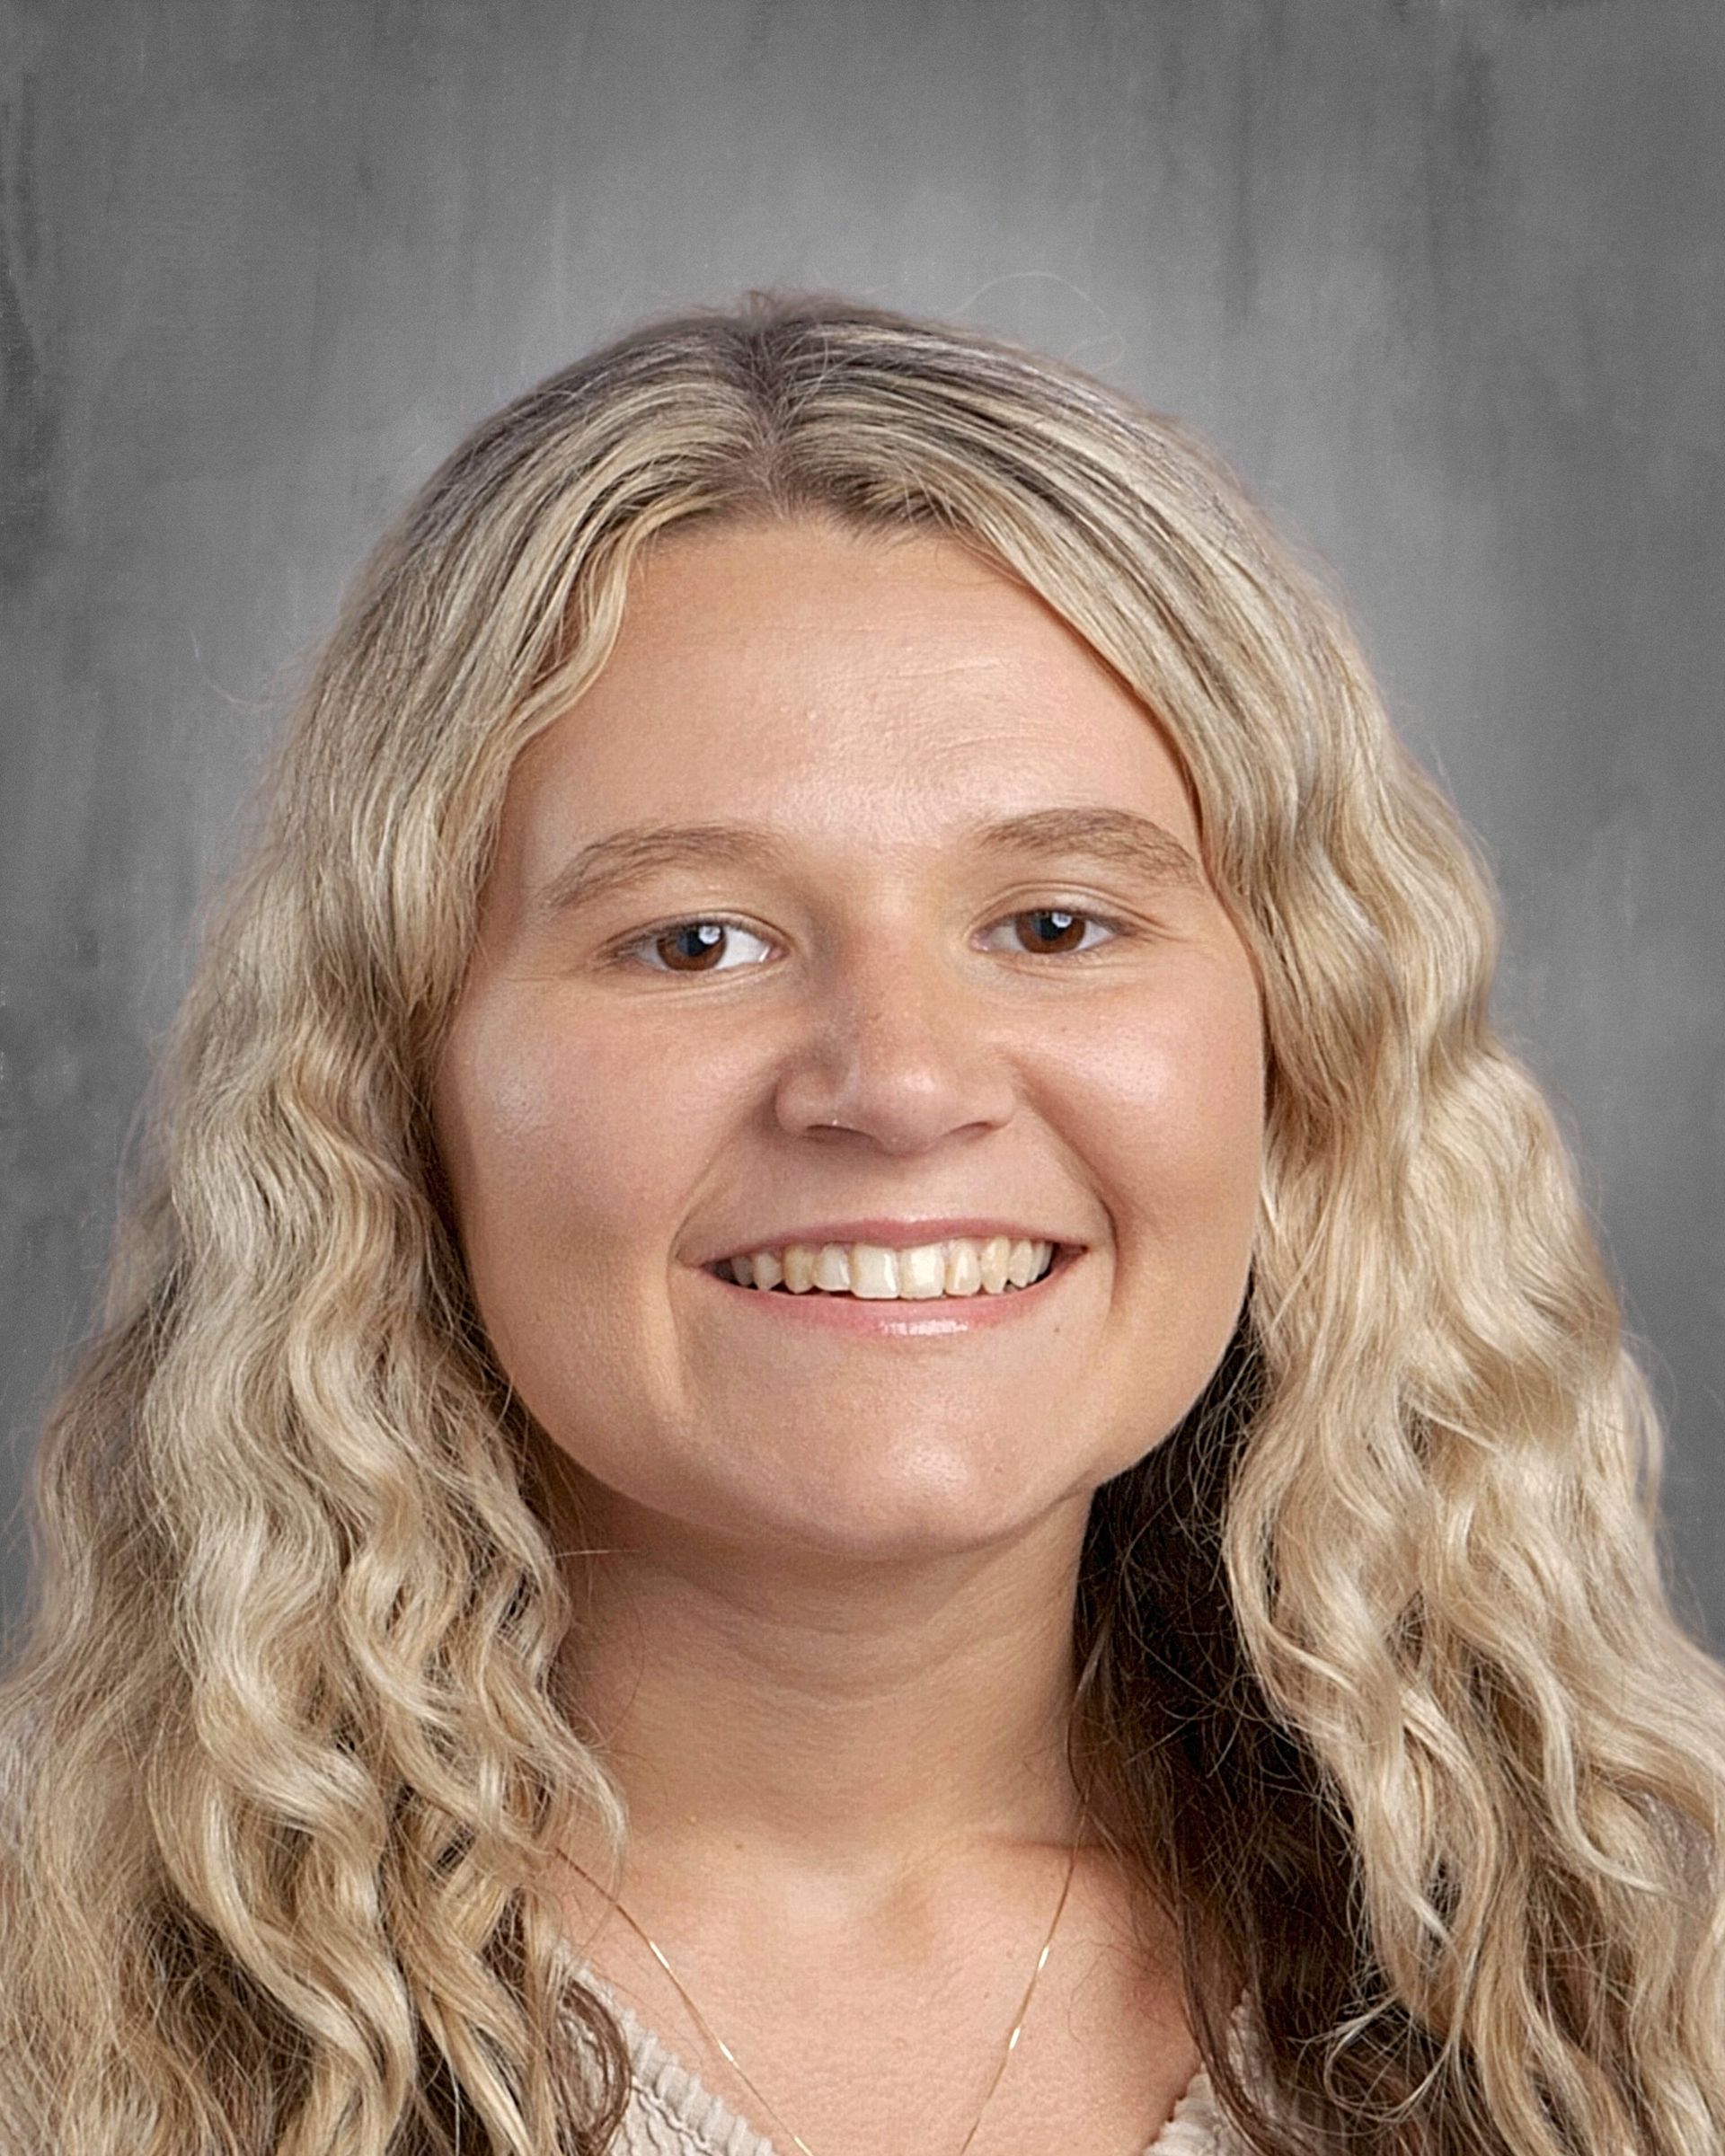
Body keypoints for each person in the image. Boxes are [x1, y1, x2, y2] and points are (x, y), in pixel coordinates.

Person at [1, 296, 1721, 2156]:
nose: (900, 1085)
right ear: (396, 1086)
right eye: (695, 940)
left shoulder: (1655, 1986)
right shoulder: (50, 2009)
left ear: (1298, 1049)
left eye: (1057, 925)